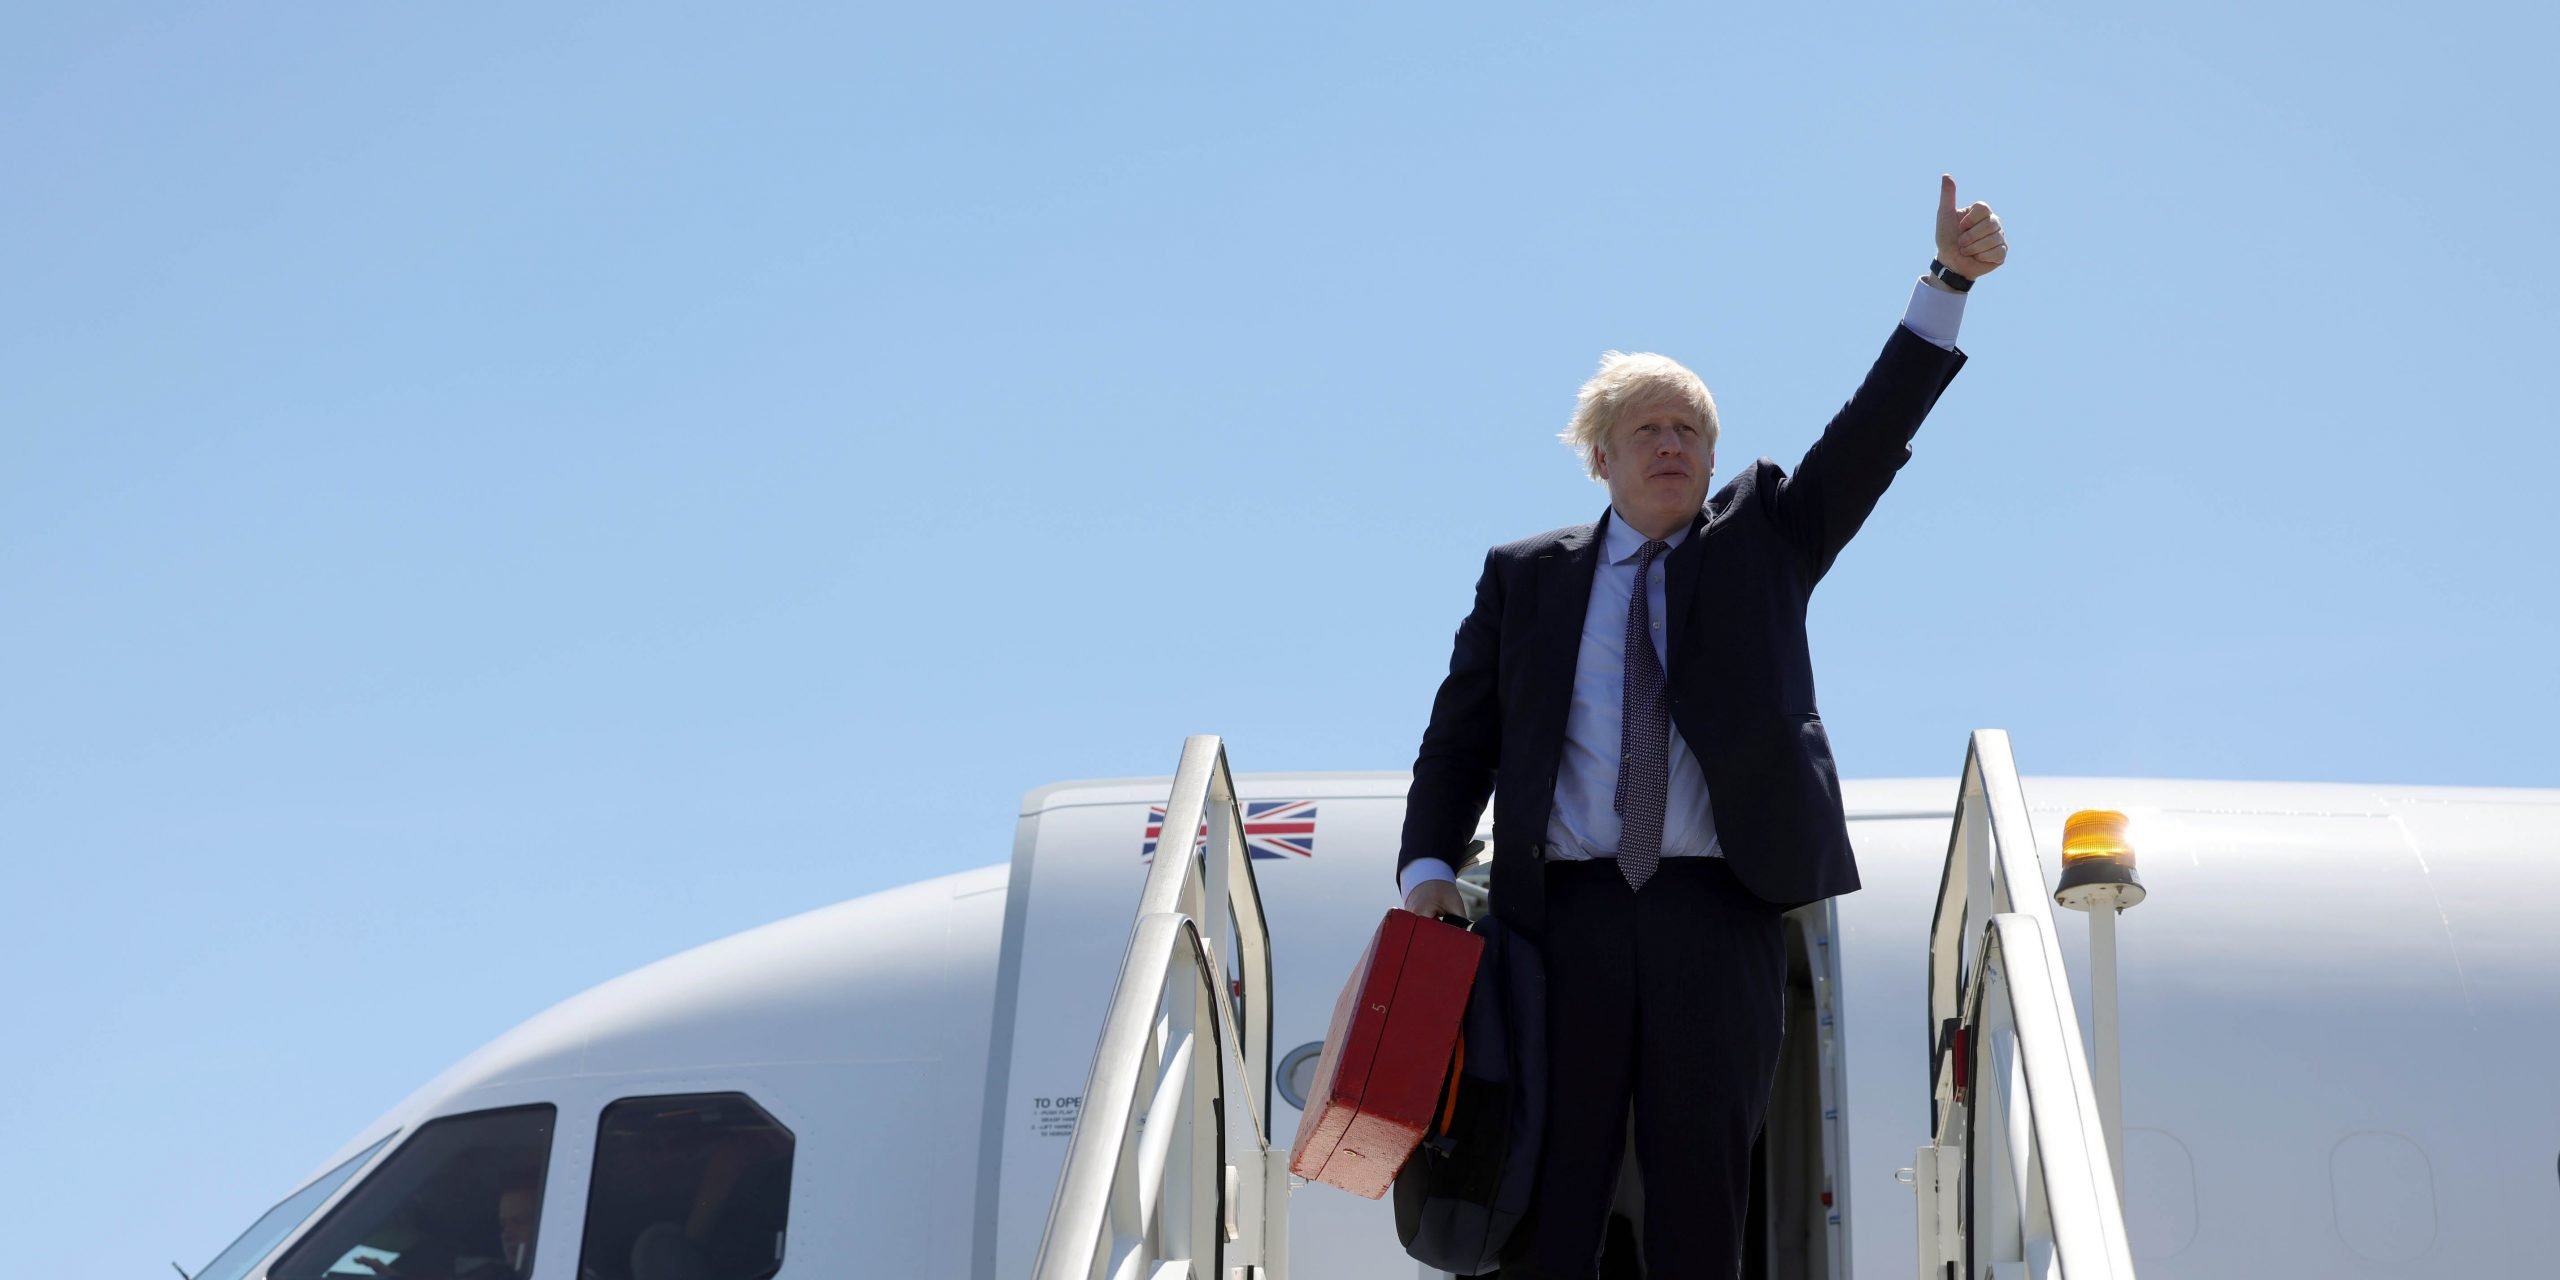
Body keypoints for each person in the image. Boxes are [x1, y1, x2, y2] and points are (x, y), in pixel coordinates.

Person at [1395, 175, 2006, 1278]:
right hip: (1560, 920)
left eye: (1690, 430)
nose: (1671, 444)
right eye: (1646, 430)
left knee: (1700, 1197)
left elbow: (1867, 438)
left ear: (1713, 458)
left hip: (1713, 914)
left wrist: (1946, 282)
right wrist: (1429, 863)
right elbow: (1460, 736)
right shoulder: (1524, 578)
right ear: (1601, 458)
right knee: (1549, 1193)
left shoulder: (1763, 541)